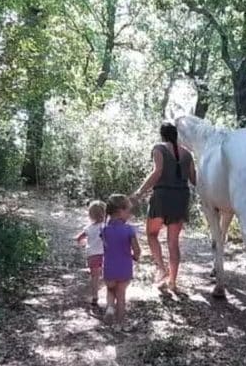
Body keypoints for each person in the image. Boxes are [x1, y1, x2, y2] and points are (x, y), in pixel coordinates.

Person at [133, 122, 196, 292]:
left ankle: (161, 269)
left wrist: (139, 192)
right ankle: (173, 281)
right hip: (181, 197)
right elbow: (194, 180)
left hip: (162, 197)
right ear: (176, 135)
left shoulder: (159, 148)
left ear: (162, 135)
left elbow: (157, 171)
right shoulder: (188, 154)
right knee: (173, 241)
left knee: (152, 234)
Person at [101, 194, 141, 331]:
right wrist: (135, 257)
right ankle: (119, 324)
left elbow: (106, 246)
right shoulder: (129, 230)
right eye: (128, 211)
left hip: (109, 268)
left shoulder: (104, 230)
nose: (130, 214)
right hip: (124, 269)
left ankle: (110, 307)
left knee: (110, 289)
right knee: (121, 297)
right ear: (120, 212)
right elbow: (137, 250)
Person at [75, 200, 106, 308]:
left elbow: (78, 238)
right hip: (105, 255)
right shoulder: (106, 227)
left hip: (92, 255)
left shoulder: (88, 228)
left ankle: (95, 296)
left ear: (90, 215)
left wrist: (81, 243)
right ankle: (109, 291)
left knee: (94, 276)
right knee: (106, 274)